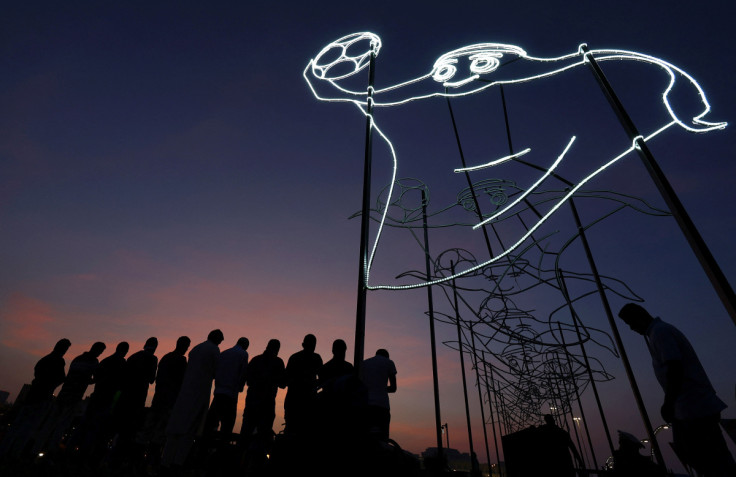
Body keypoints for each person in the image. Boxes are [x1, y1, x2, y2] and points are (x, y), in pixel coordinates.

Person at [618, 303, 736, 476]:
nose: (632, 328)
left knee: (709, 456)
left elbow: (675, 367)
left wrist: (669, 402)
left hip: (693, 407)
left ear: (640, 317)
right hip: (691, 407)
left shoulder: (660, 333)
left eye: (631, 323)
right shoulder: (660, 332)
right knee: (705, 454)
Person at [161, 329, 223, 470]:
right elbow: (216, 371)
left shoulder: (196, 349)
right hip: (199, 392)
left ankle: (165, 461)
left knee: (176, 429)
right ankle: (177, 463)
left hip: (185, 392)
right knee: (190, 429)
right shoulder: (214, 350)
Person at [0, 338, 71, 459]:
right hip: (42, 397)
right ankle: (15, 454)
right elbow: (61, 378)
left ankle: (4, 451)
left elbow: (37, 374)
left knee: (17, 425)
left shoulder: (44, 359)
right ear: (64, 349)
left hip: (32, 396)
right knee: (29, 428)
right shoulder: (58, 361)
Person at [34, 341, 106, 455]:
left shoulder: (77, 358)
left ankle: (36, 448)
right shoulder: (93, 362)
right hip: (74, 396)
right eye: (101, 351)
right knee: (62, 425)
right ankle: (51, 451)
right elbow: (90, 379)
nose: (100, 353)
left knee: (50, 423)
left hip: (64, 393)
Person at [139, 336, 191, 460]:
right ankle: (151, 461)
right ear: (184, 346)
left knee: (147, 431)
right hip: (169, 402)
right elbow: (182, 382)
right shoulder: (181, 361)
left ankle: (137, 460)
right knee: (160, 433)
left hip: (158, 399)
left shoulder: (166, 358)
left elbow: (157, 379)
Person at [109, 337, 158, 465]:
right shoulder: (152, 359)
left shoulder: (134, 356)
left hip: (125, 396)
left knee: (119, 428)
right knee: (131, 429)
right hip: (138, 398)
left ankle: (111, 456)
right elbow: (152, 379)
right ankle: (122, 458)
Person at [239, 339, 286, 453]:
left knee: (246, 433)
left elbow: (248, 380)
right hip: (267, 403)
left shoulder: (256, 360)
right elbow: (283, 384)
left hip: (252, 402)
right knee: (263, 436)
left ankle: (239, 460)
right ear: (277, 349)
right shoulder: (278, 362)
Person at [204, 337, 249, 441]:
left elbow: (215, 371)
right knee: (227, 426)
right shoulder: (243, 354)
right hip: (231, 394)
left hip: (218, 392)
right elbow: (243, 373)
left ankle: (203, 449)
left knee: (210, 424)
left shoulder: (224, 353)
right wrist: (240, 387)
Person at [284, 334, 322, 436]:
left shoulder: (294, 358)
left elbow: (285, 380)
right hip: (303, 403)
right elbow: (323, 379)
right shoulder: (316, 358)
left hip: (297, 402)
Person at [361, 349, 397, 441]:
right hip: (382, 406)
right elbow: (393, 388)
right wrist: (381, 388)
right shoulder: (389, 363)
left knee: (366, 437)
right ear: (387, 356)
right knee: (383, 439)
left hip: (366, 405)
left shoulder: (364, 363)